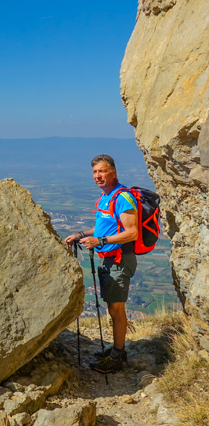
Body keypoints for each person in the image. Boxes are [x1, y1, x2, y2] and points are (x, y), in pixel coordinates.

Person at [65, 154, 138, 374]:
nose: (98, 176)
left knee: (116, 309)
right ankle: (117, 348)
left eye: (103, 171)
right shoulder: (105, 197)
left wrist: (101, 241)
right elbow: (102, 228)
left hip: (119, 259)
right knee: (112, 308)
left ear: (113, 172)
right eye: (95, 172)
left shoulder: (122, 197)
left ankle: (117, 356)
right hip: (108, 260)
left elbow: (132, 232)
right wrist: (80, 234)